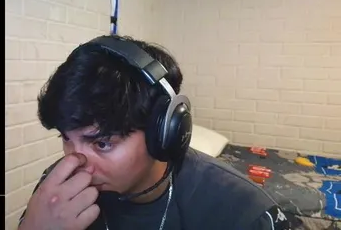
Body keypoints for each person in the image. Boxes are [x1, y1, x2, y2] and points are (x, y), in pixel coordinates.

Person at [18, 36, 291, 230]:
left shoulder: (244, 213)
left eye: (102, 144)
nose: (74, 164)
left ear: (162, 133)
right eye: (66, 138)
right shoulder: (56, 192)